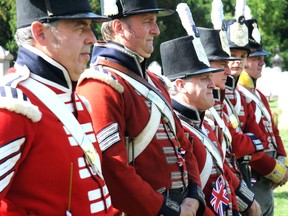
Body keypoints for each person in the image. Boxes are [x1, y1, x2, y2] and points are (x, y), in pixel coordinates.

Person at [76, 0, 206, 215]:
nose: (156, 30)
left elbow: (184, 144)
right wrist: (168, 210)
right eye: (148, 22)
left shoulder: (155, 82)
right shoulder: (101, 85)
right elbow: (113, 168)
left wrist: (193, 195)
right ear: (119, 28)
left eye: (155, 22)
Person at [0, 0, 114, 215]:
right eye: (80, 27)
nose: (92, 38)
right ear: (40, 33)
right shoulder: (14, 105)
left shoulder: (77, 102)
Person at [237, 18, 288, 215]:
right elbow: (246, 144)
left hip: (268, 175)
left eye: (262, 57)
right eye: (255, 57)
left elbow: (274, 132)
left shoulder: (259, 96)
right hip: (254, 173)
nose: (262, 62)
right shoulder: (239, 95)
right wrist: (276, 171)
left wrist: (283, 162)